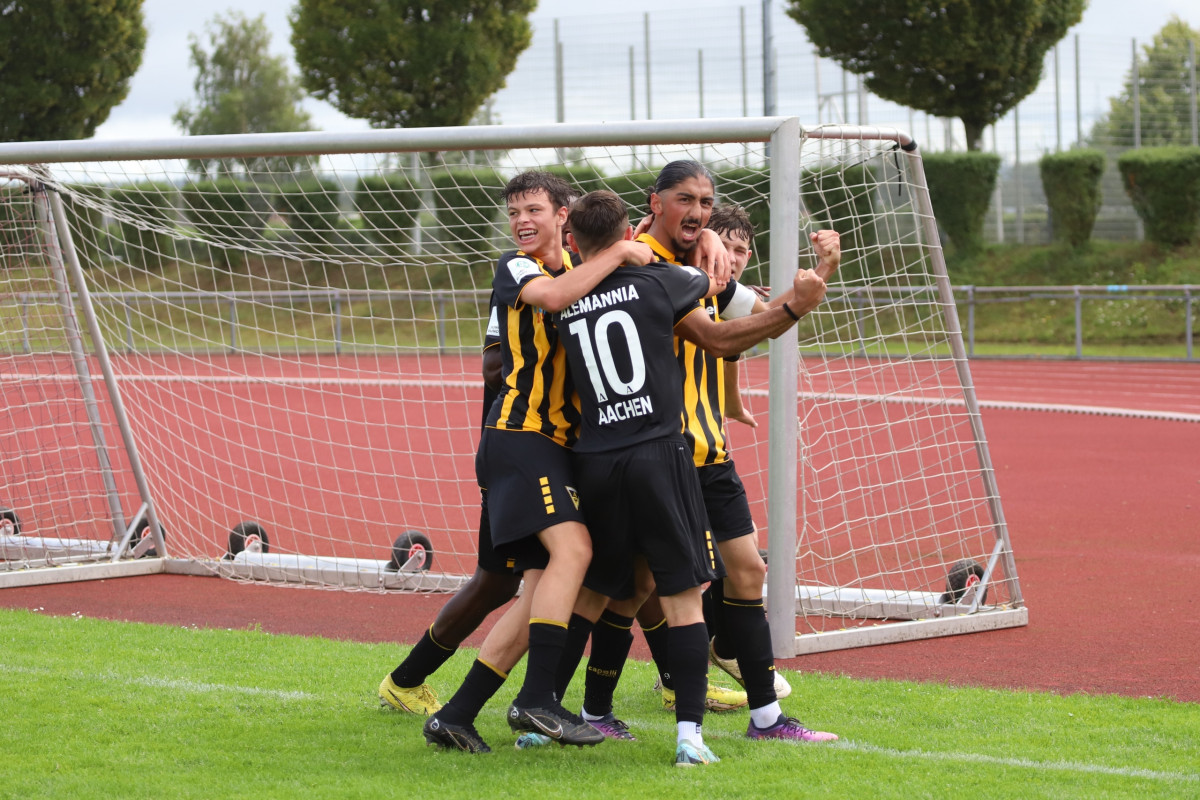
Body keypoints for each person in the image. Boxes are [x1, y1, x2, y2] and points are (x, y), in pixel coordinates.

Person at [553, 189, 832, 766]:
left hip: (708, 452)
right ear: (656, 208)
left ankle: (766, 716)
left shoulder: (701, 277)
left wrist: (815, 275)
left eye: (708, 205)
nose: (701, 216)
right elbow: (727, 331)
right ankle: (593, 710)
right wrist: (783, 299)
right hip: (664, 454)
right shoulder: (650, 268)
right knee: (633, 589)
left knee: (746, 571)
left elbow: (758, 316)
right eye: (690, 204)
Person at [420, 170, 655, 753]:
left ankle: (455, 715)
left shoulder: (580, 268)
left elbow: (627, 261)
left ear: (563, 215)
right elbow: (553, 297)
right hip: (520, 436)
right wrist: (622, 251)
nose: (522, 221)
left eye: (534, 210)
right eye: (514, 213)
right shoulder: (517, 267)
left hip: (557, 446)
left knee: (534, 597)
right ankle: (537, 698)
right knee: (575, 551)